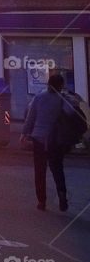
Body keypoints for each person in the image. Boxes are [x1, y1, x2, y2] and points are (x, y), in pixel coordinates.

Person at [21, 73, 75, 211]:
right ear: (61, 85)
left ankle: (41, 201)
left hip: (38, 138)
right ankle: (62, 195)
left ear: (48, 84)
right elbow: (70, 114)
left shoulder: (38, 98)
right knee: (58, 169)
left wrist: (24, 133)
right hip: (56, 140)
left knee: (40, 171)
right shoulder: (63, 99)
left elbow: (30, 118)